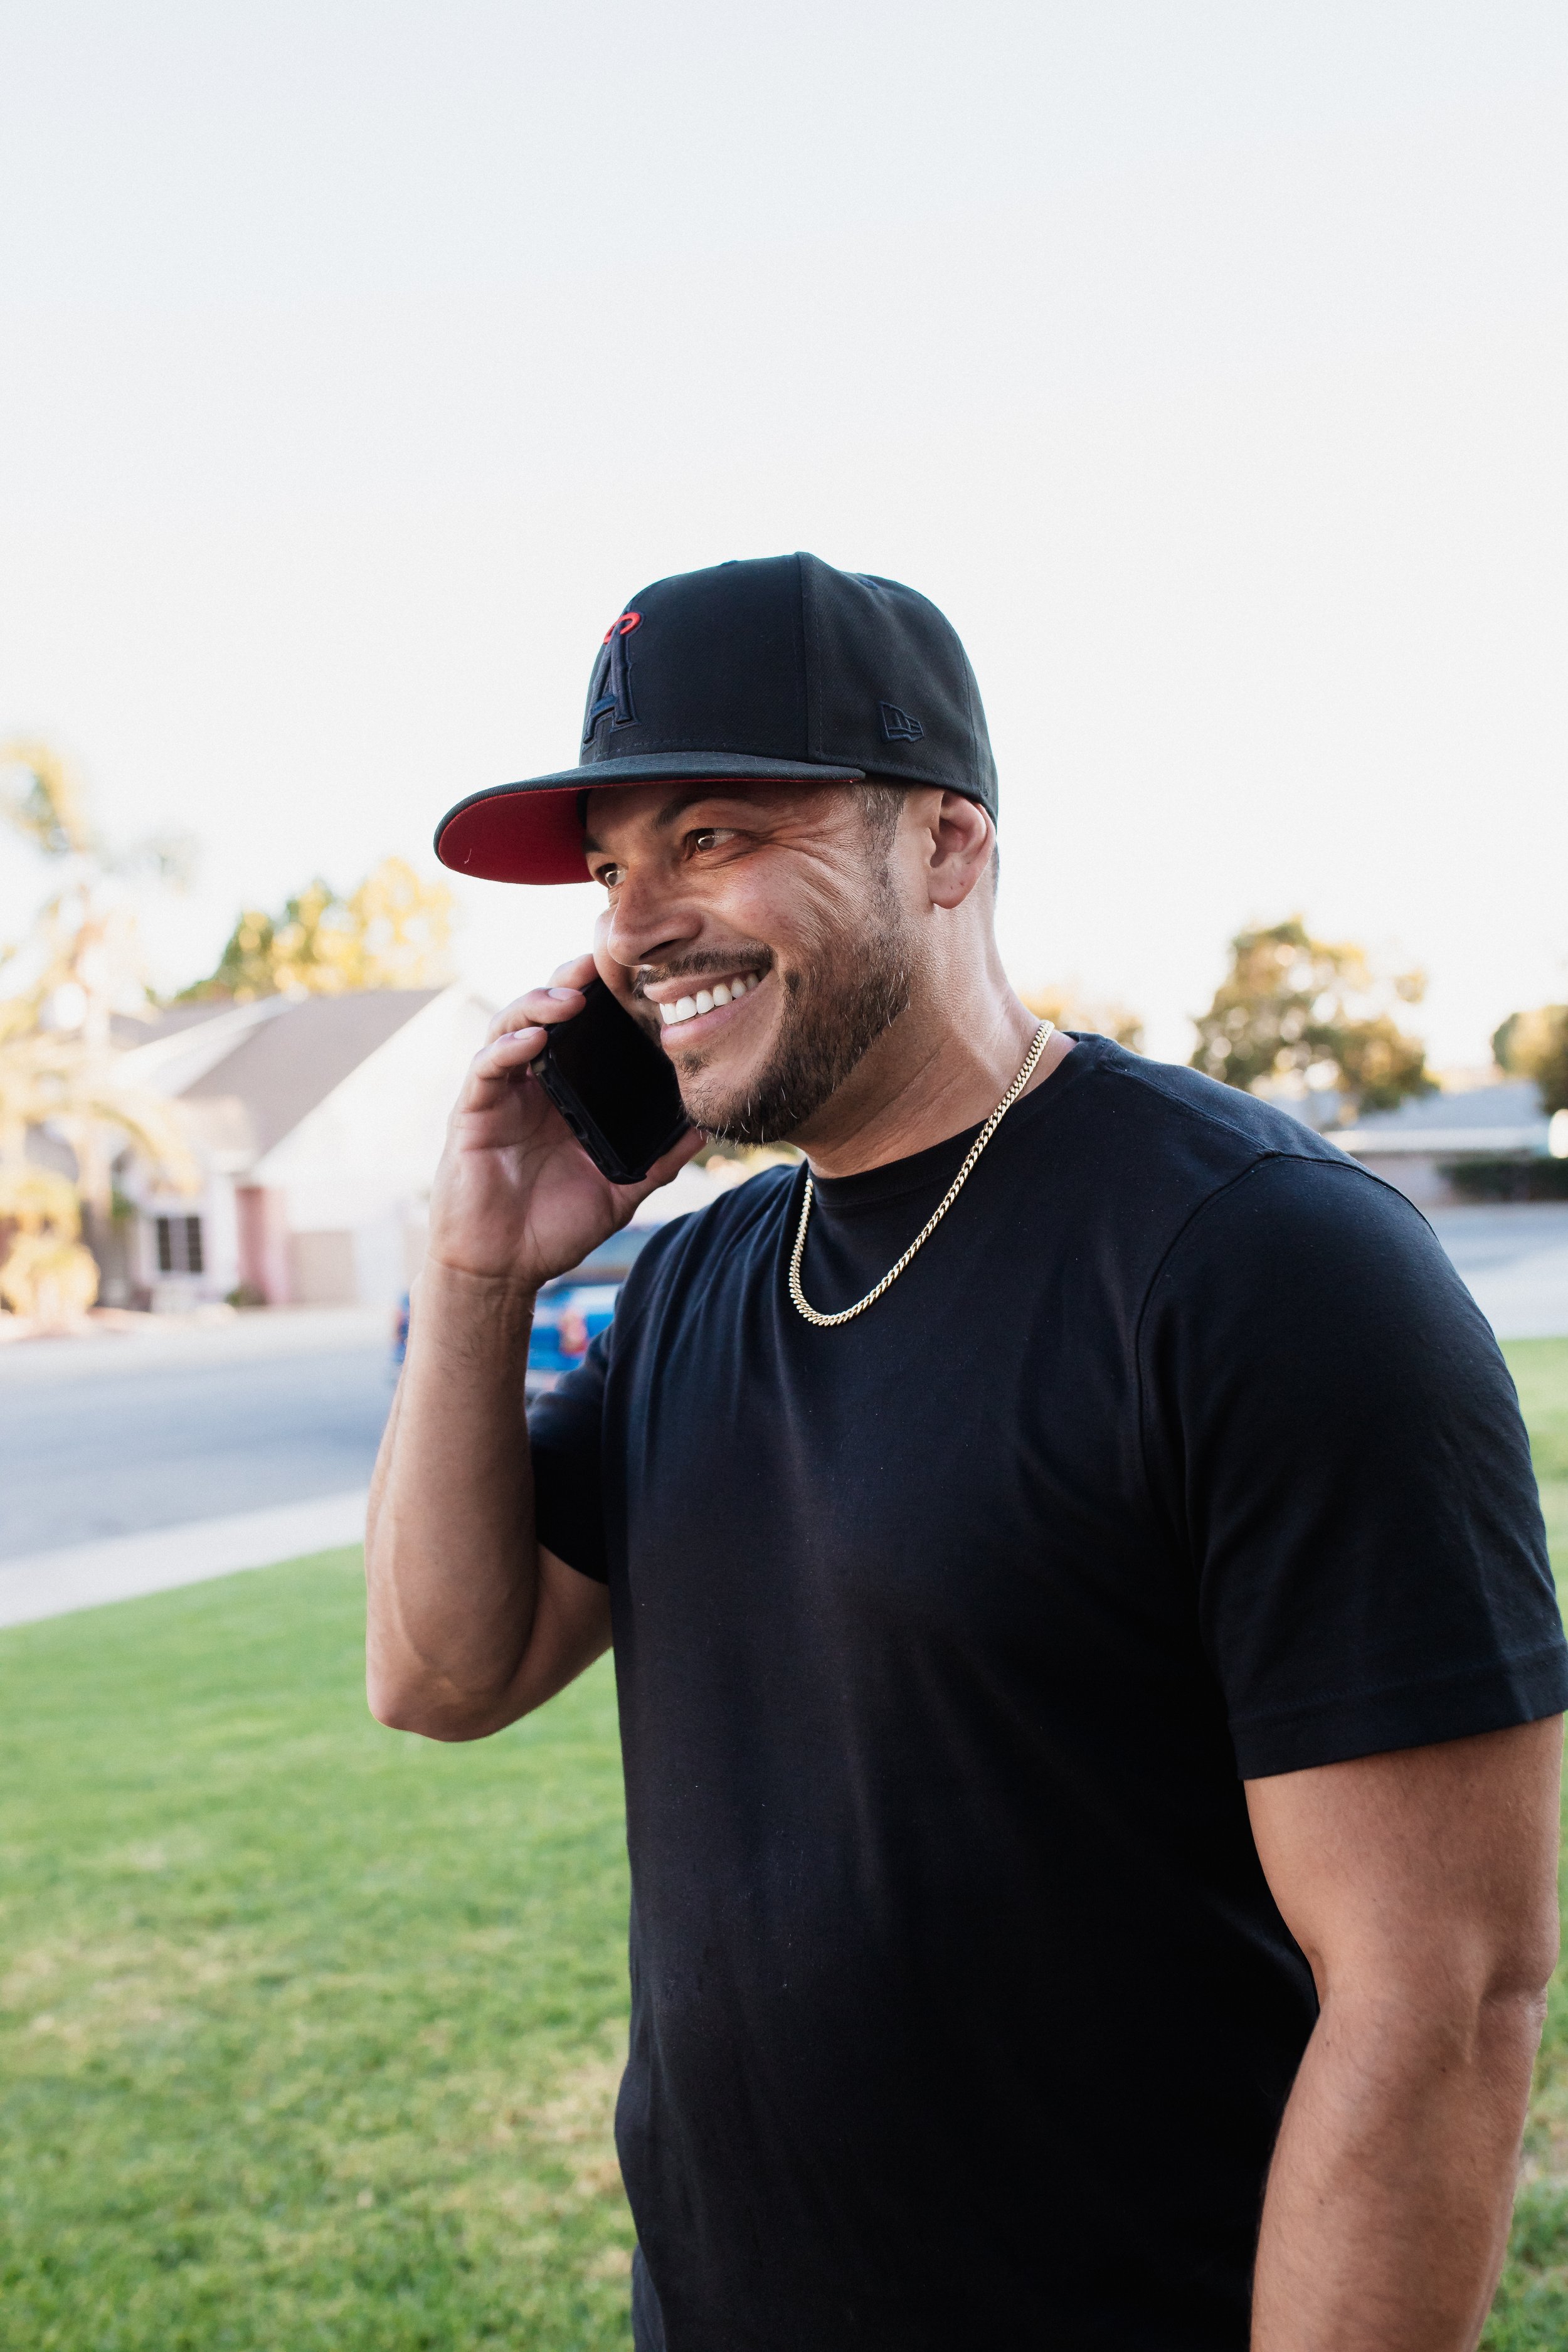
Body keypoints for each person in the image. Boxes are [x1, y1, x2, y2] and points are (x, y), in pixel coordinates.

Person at [366, 553, 1566, 2352]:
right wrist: (474, 1267)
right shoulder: (693, 1284)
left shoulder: (1260, 1263)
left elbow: (1439, 1999)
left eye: (713, 837)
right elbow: (442, 1673)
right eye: (616, 866)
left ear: (943, 844)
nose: (635, 923)